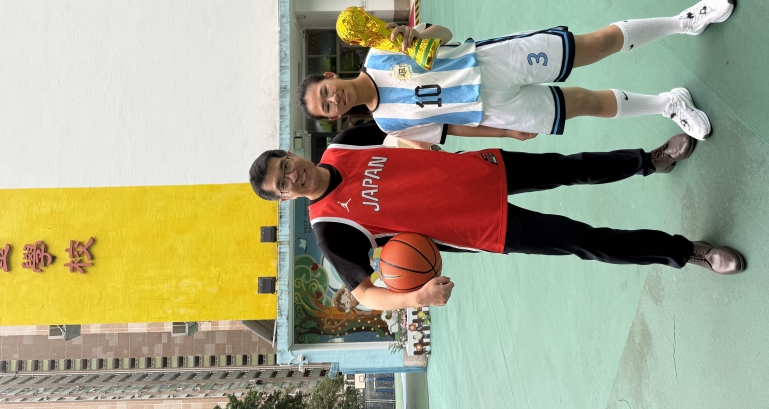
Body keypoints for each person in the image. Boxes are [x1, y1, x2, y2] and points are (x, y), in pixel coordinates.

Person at [248, 123, 745, 311]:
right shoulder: (330, 228)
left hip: (480, 169)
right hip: (481, 227)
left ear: (290, 154)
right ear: (285, 199)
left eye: (284, 165)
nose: (291, 176)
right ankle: (688, 251)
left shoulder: (345, 144)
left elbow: (417, 124)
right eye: (281, 183)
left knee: (572, 167)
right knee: (586, 240)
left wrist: (494, 129)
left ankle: (649, 161)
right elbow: (364, 294)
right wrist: (416, 296)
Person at [297, 0, 735, 146]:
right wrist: (505, 133)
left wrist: (414, 36)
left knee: (593, 46)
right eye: (327, 108)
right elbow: (450, 129)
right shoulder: (389, 124)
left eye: (325, 93)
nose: (333, 100)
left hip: (492, 62)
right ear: (336, 116)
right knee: (583, 104)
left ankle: (684, 22)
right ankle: (668, 105)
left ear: (330, 78)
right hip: (493, 111)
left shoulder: (380, 52)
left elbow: (444, 32)